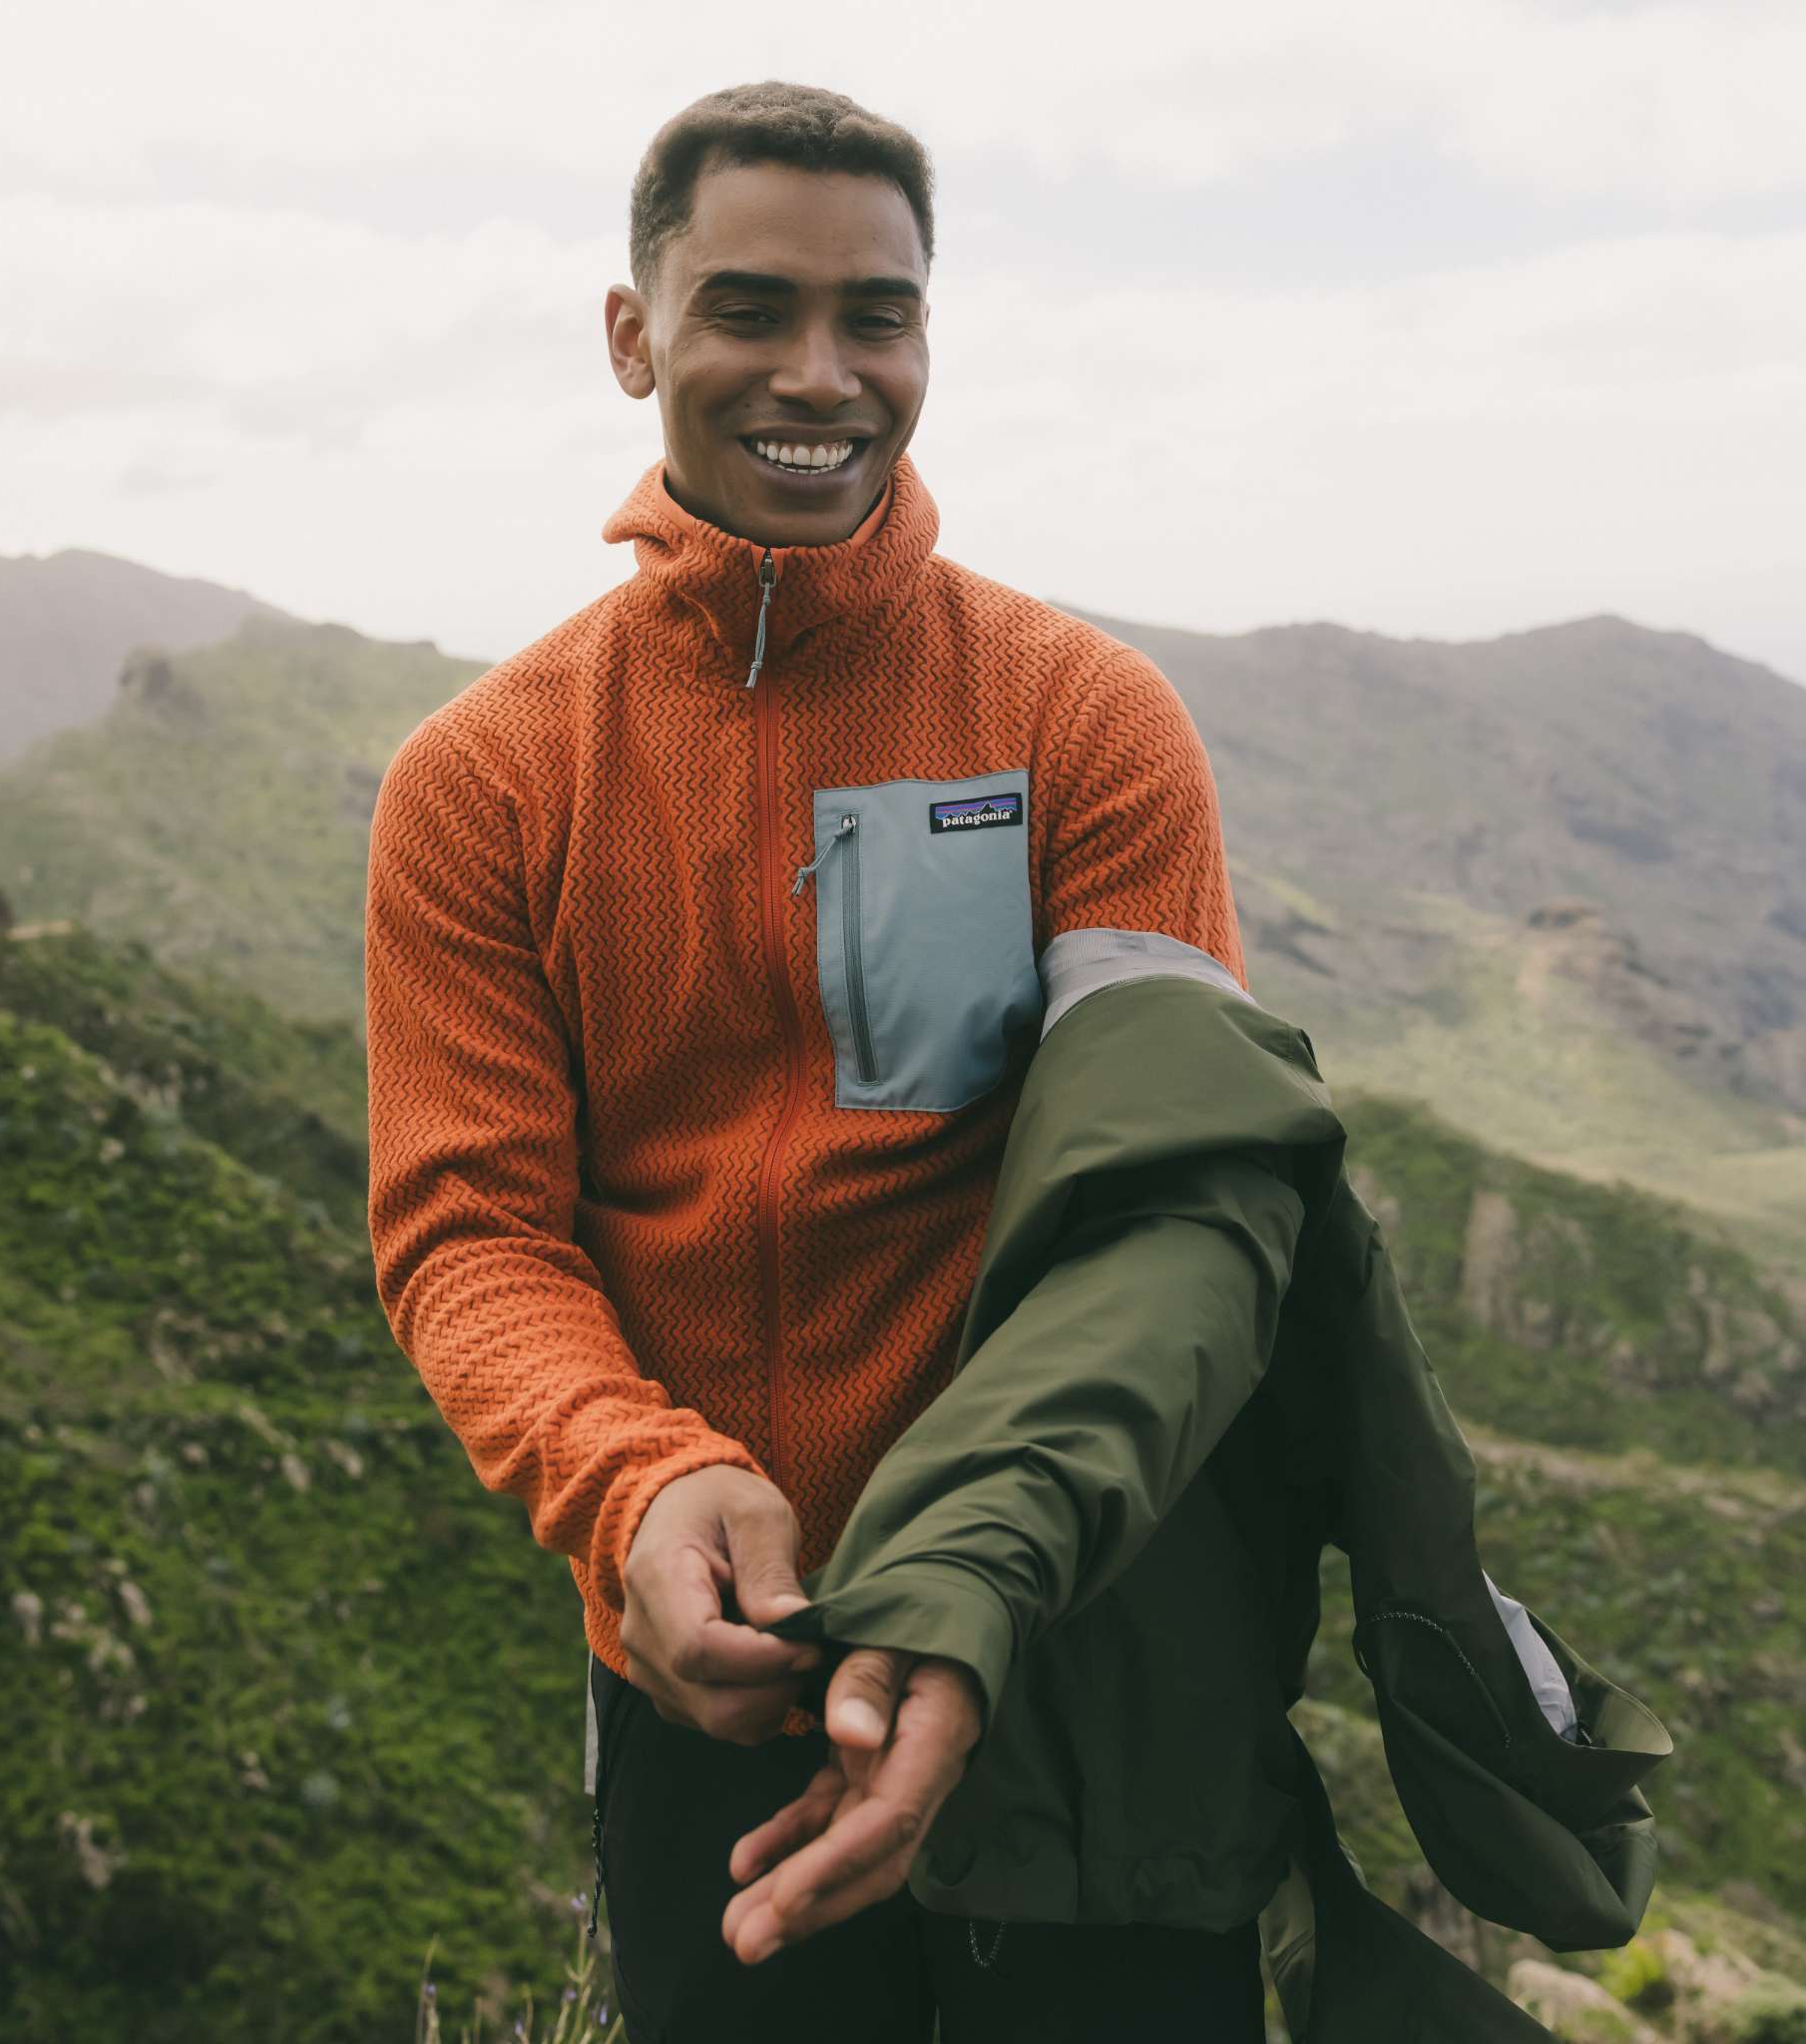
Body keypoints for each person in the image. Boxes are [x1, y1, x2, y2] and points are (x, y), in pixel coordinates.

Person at [363, 80, 1269, 2043]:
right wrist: (637, 1480)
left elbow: (1181, 1222)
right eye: (751, 309)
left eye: (879, 316)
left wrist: (974, 1573)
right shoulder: (489, 779)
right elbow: (469, 1236)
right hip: (713, 1672)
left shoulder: (1080, 721)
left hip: (1073, 1645)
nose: (821, 375)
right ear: (634, 337)